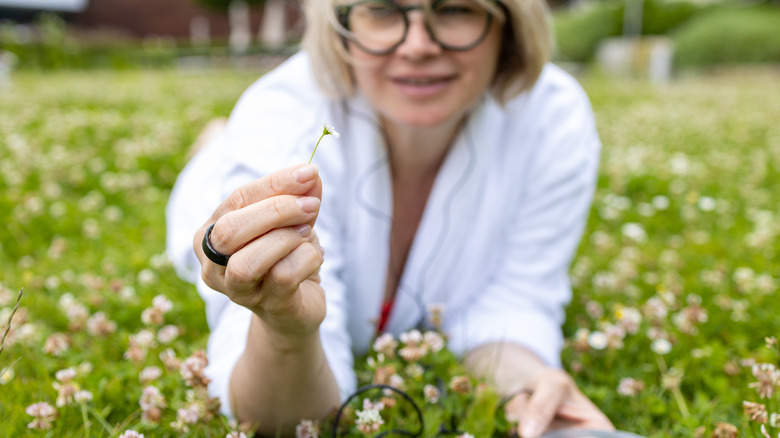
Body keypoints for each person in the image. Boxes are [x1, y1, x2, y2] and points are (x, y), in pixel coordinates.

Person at [166, 0, 615, 436]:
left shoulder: (554, 117)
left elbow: (512, 302)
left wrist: (524, 379)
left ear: (509, 24)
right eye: (381, 10)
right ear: (341, 27)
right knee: (210, 173)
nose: (418, 45)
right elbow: (272, 415)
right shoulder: (282, 116)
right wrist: (284, 331)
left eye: (455, 9)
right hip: (223, 178)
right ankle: (213, 147)